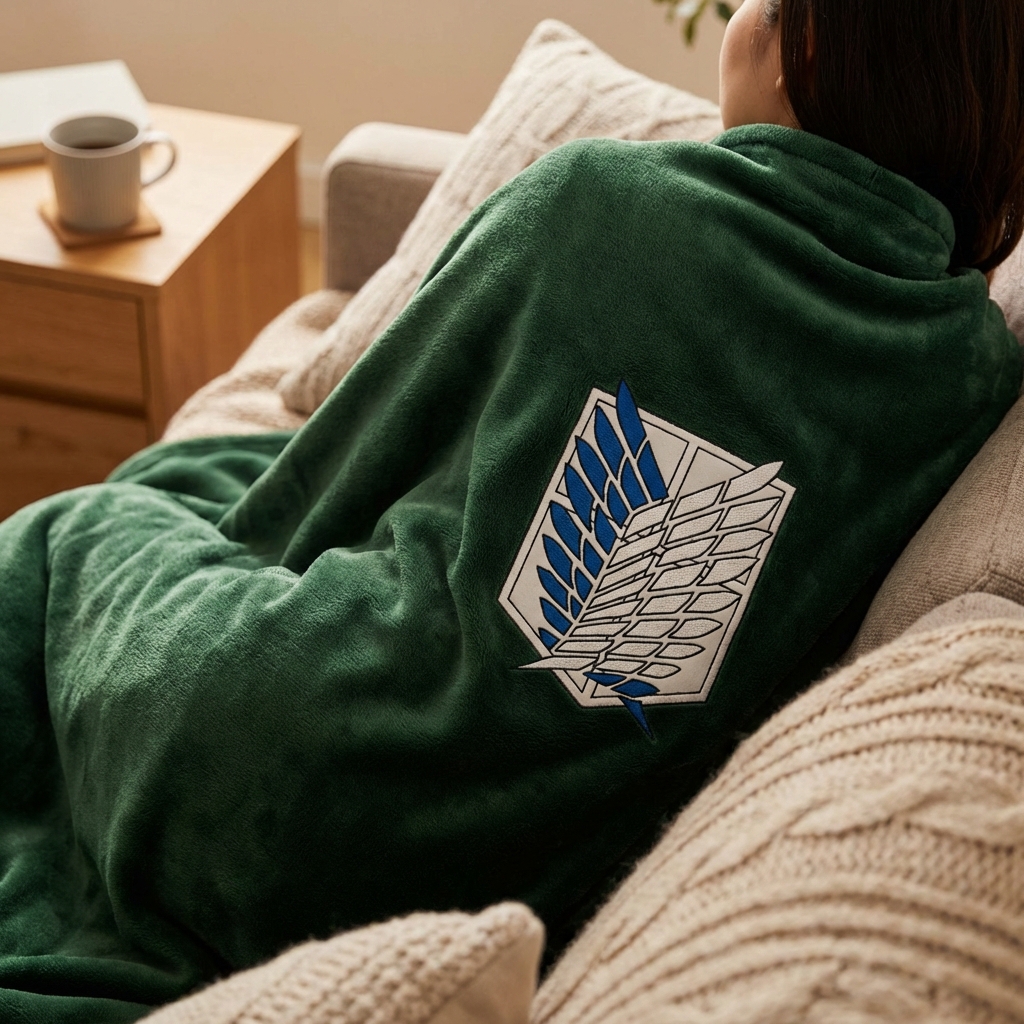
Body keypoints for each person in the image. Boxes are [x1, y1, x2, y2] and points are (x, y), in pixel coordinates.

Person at [1, 1, 1022, 1020]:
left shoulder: (603, 200)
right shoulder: (966, 374)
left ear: (806, 45)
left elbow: (349, 460)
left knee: (77, 527)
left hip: (272, 760)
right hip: (496, 875)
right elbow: (646, 644)